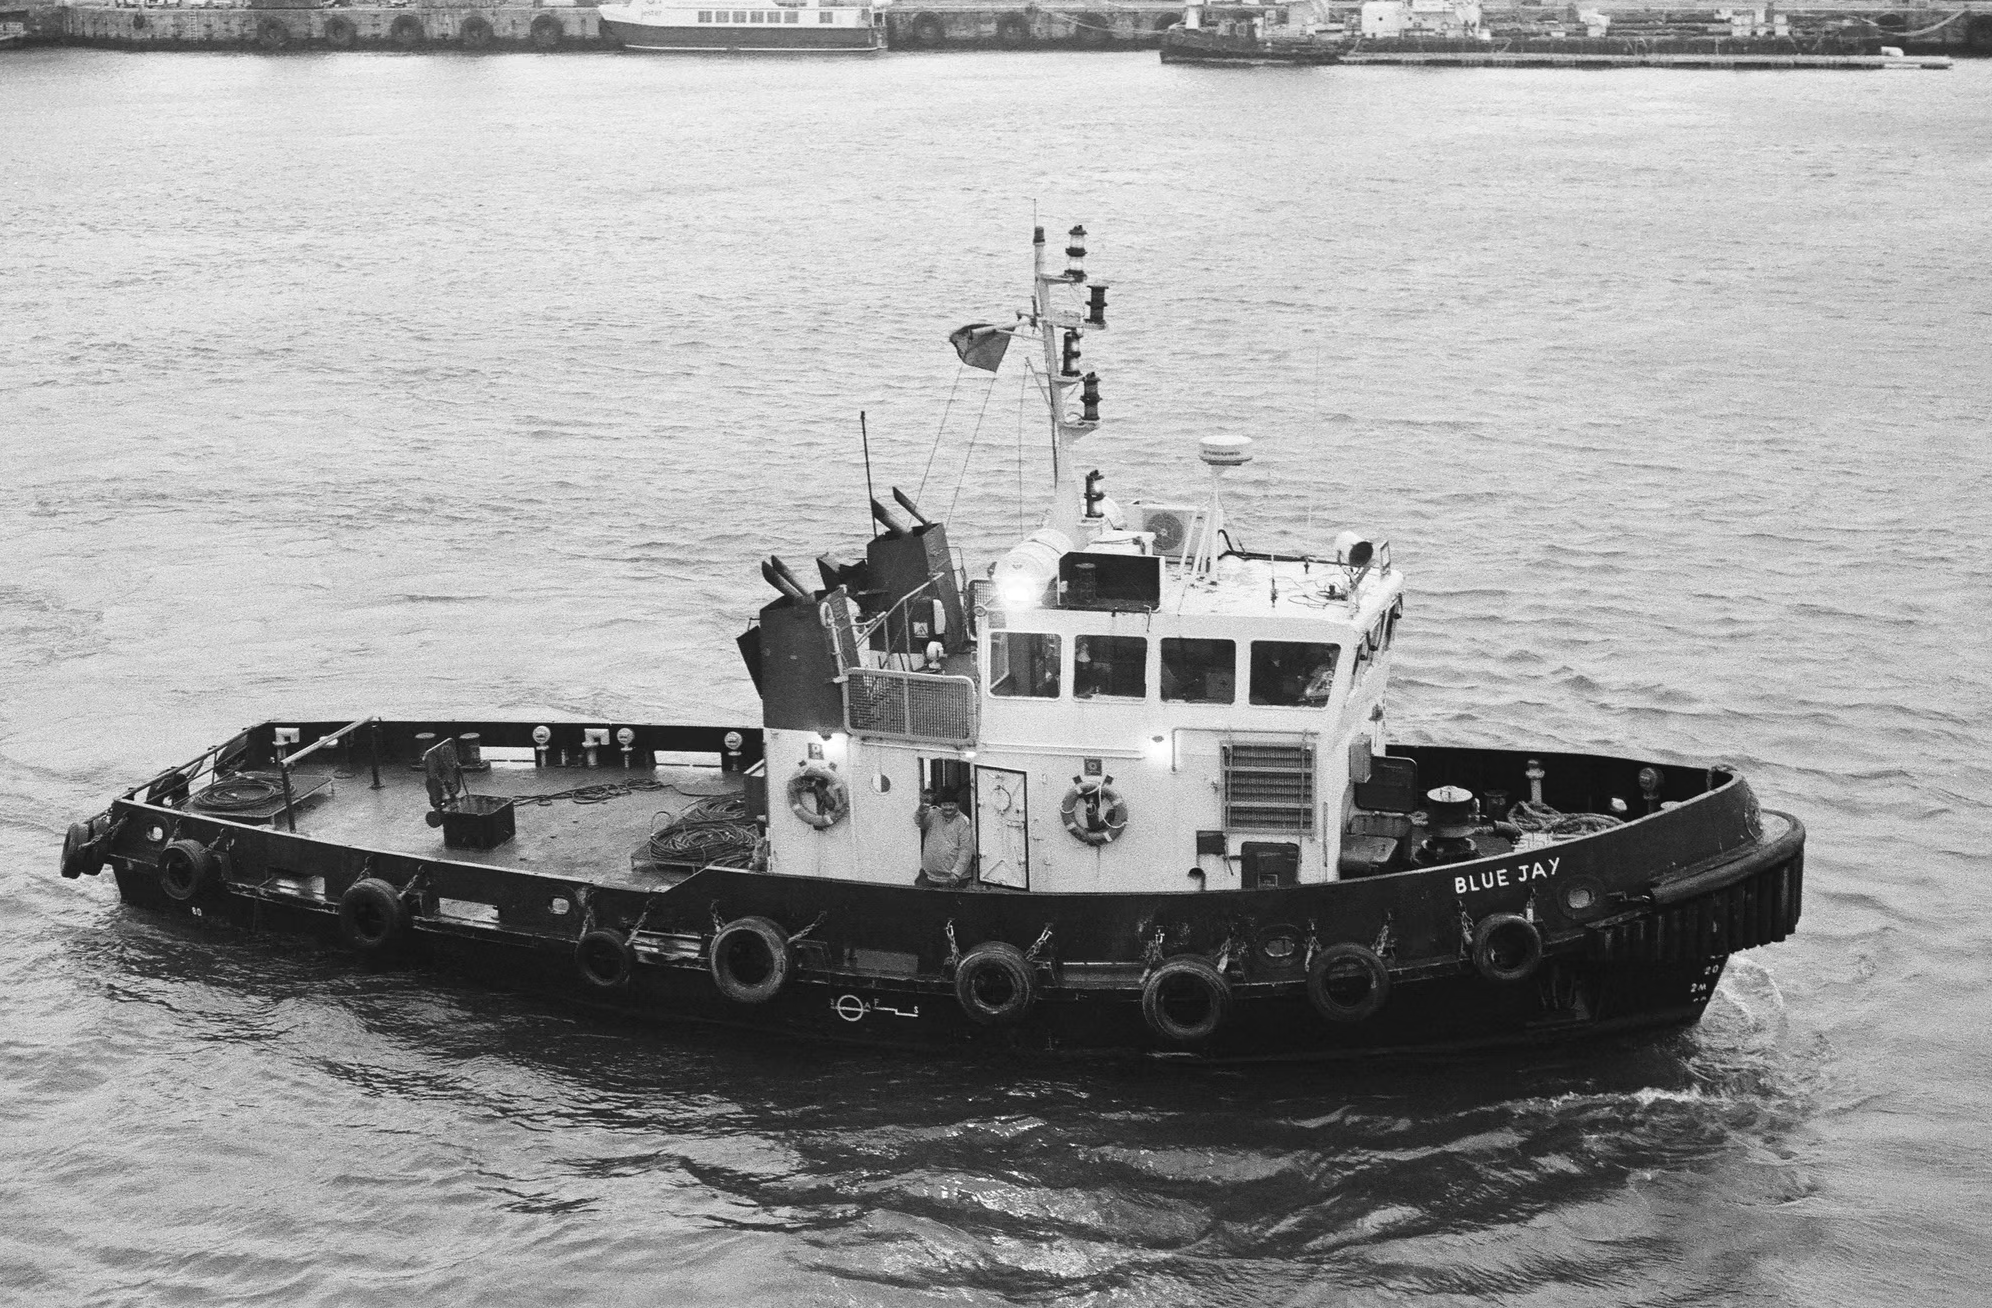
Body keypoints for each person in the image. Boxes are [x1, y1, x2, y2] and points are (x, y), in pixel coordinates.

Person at [914, 790, 975, 888]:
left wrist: (956, 873)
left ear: (957, 805)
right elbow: (919, 822)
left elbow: (966, 850)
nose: (948, 808)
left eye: (951, 804)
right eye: (945, 805)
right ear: (940, 805)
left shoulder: (964, 822)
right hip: (930, 876)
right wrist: (922, 808)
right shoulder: (933, 814)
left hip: (954, 879)